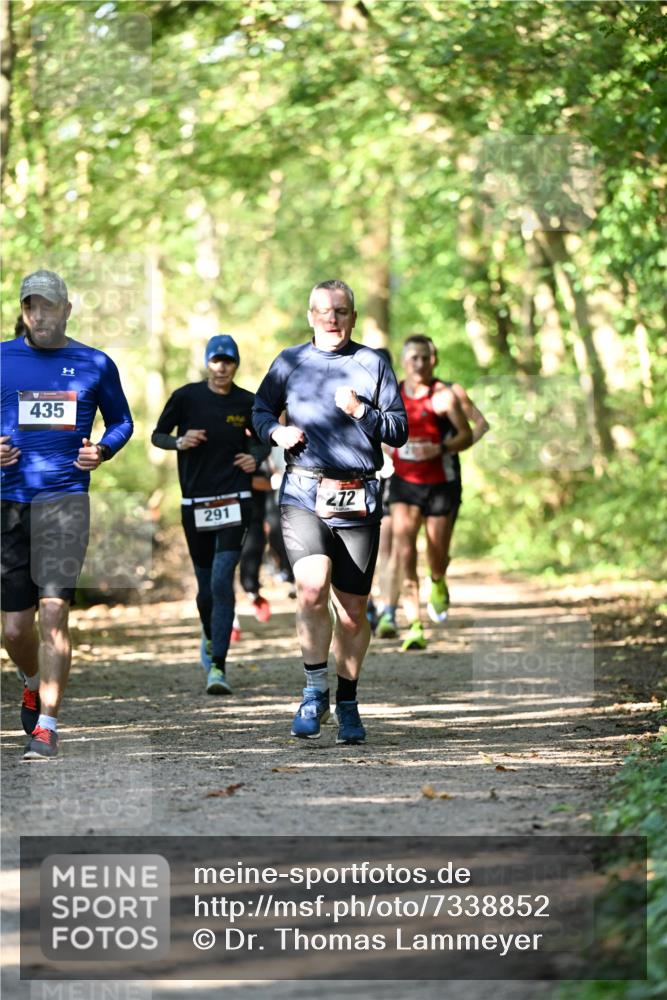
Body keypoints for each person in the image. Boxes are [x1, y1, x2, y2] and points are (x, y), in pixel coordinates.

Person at [252, 280, 407, 745]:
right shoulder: (290, 361)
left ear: (353, 316)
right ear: (310, 315)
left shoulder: (373, 362)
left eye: (341, 311)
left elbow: (398, 430)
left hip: (358, 494)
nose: (332, 318)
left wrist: (363, 412)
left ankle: (348, 700)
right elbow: (259, 410)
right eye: (323, 310)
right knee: (312, 588)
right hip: (303, 488)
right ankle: (314, 689)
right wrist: (274, 435)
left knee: (355, 612)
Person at [1, 269, 133, 760]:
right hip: (9, 504)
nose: (39, 315)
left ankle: (48, 727)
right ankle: (32, 682)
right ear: (24, 311)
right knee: (15, 629)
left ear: (67, 310)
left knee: (54, 614)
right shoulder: (2, 357)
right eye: (31, 306)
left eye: (48, 306)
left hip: (65, 501)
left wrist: (103, 450)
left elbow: (123, 421)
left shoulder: (94, 363)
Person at [151, 334, 268, 695]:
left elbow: (266, 438)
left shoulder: (247, 401)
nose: (222, 367)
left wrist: (257, 457)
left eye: (228, 361)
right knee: (206, 589)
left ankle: (218, 664)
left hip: (235, 499)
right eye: (216, 361)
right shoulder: (186, 397)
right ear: (208, 363)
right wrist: (179, 442)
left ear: (236, 364)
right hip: (195, 503)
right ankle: (209, 634)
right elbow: (157, 435)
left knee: (221, 580)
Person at [375, 334, 475, 651]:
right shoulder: (393, 394)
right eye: (413, 357)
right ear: (404, 361)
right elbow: (378, 432)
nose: (419, 363)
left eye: (425, 357)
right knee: (405, 552)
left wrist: (441, 447)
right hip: (405, 484)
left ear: (434, 360)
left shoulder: (443, 395)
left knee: (436, 554)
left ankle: (438, 580)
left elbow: (467, 435)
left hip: (439, 483)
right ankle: (415, 624)